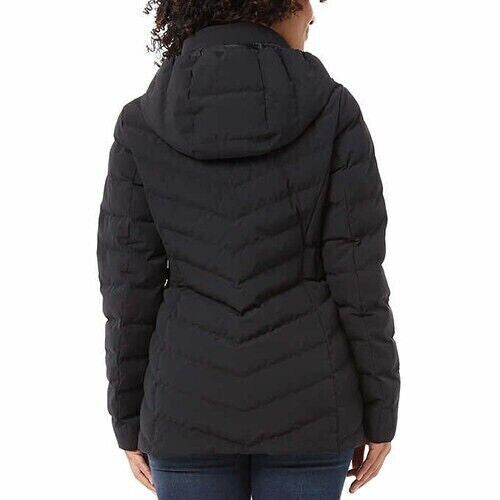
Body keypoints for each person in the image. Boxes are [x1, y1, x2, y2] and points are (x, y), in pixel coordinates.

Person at [97, 1, 400, 498]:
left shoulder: (141, 123)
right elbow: (359, 279)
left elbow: (128, 291)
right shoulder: (333, 109)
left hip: (184, 405)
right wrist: (380, 410)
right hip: (311, 407)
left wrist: (128, 419)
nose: (312, 13)